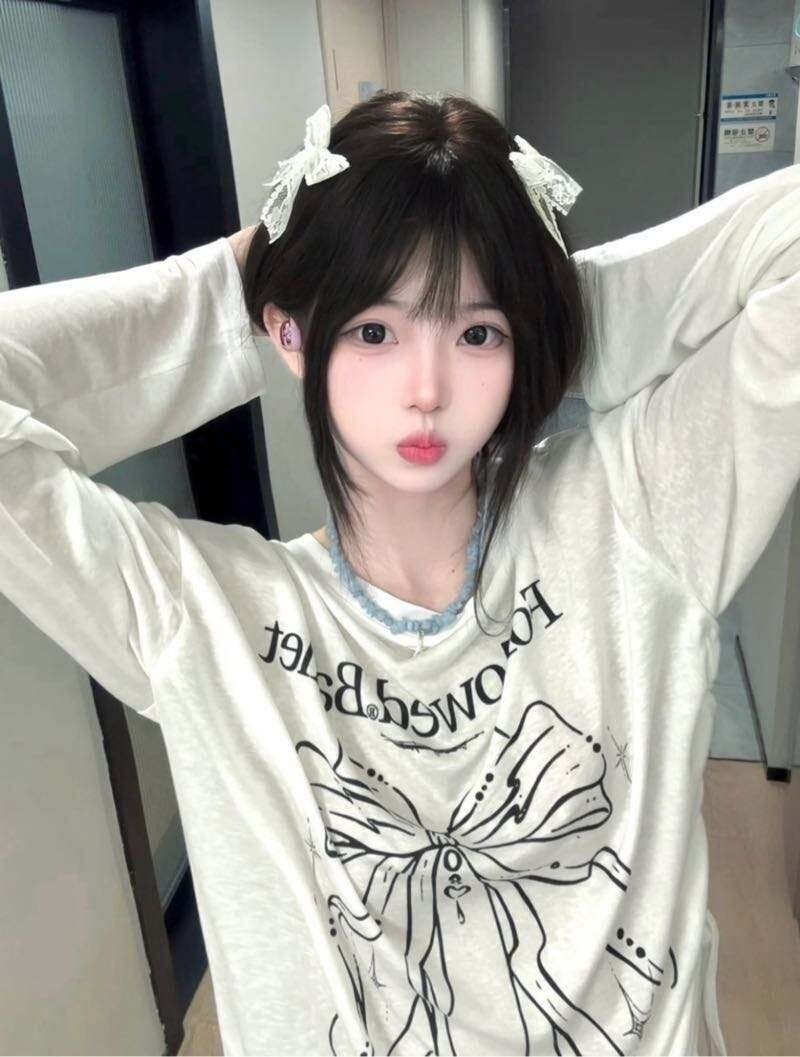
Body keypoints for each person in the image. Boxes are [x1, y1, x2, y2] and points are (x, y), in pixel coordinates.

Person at [2, 89, 799, 1057]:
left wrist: (541, 300)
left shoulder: (637, 513)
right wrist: (248, 287)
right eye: (374, 333)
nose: (427, 389)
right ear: (290, 336)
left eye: (475, 336)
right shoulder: (197, 615)